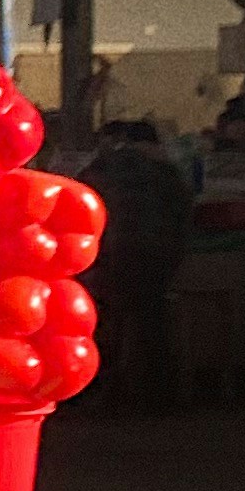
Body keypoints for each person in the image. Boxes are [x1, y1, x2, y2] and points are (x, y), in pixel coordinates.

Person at [82, 118, 193, 413]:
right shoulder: (168, 174)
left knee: (107, 323)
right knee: (150, 324)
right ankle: (155, 398)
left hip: (108, 255)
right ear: (155, 145)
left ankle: (105, 394)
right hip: (154, 255)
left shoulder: (99, 168)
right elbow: (184, 215)